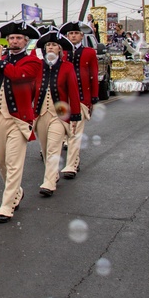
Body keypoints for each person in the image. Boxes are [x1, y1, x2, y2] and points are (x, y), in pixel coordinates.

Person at [0, 21, 41, 223]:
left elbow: (18, 76)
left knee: (14, 163)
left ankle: (7, 204)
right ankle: (16, 191)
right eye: (11, 38)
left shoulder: (32, 61)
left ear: (26, 41)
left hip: (19, 119)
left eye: (18, 38)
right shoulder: (0, 60)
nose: (14, 41)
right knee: (0, 161)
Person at [33, 30, 82, 197]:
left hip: (59, 115)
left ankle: (49, 182)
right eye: (48, 45)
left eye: (54, 45)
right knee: (45, 148)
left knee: (54, 148)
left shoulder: (67, 67)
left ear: (60, 49)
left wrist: (74, 117)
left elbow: (73, 94)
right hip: (40, 114)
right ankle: (52, 173)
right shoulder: (38, 66)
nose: (51, 48)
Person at [59, 21, 98, 180]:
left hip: (82, 98)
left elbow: (93, 75)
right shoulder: (62, 52)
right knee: (63, 131)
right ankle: (72, 160)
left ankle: (71, 165)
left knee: (75, 132)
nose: (73, 36)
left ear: (82, 35)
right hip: (63, 99)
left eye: (76, 33)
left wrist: (94, 98)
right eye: (70, 34)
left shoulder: (89, 52)